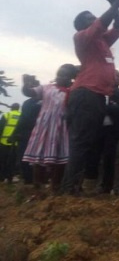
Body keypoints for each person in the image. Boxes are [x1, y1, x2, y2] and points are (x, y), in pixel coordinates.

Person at [61, 0, 119, 195]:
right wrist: (117, 1)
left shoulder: (102, 41)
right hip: (86, 94)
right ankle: (68, 190)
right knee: (81, 142)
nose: (95, 19)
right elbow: (103, 21)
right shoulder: (82, 37)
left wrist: (114, 5)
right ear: (83, 25)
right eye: (90, 18)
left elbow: (118, 27)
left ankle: (75, 187)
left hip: (97, 96)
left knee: (89, 142)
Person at [22, 65, 77, 194]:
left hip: (62, 129)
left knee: (60, 159)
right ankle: (38, 186)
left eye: (65, 75)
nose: (60, 77)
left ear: (71, 78)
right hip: (44, 129)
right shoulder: (47, 88)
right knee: (39, 157)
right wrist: (26, 85)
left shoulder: (74, 91)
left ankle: (55, 186)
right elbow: (29, 92)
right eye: (59, 74)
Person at [84, 70, 119, 194]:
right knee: (100, 159)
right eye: (114, 75)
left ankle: (118, 186)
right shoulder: (98, 92)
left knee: (118, 160)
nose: (117, 78)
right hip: (99, 131)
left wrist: (106, 108)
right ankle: (101, 185)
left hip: (117, 132)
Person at [0, 103, 21, 182]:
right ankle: (10, 177)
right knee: (13, 161)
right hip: (16, 143)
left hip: (4, 142)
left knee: (2, 160)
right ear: (18, 108)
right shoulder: (21, 116)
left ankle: (2, 177)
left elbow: (0, 128)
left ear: (11, 108)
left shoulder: (7, 115)